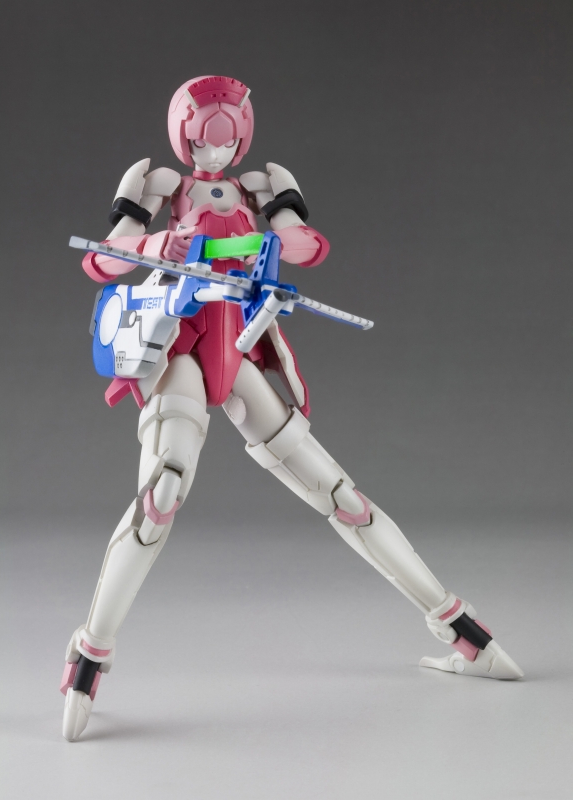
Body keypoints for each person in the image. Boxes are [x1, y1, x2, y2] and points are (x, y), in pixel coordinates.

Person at [60, 75, 523, 742]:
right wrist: (159, 247)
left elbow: (307, 244)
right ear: (184, 133)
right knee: (161, 494)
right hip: (182, 344)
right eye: (204, 137)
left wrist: (274, 248)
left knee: (342, 497)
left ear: (243, 133)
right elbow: (104, 263)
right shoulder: (156, 182)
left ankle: (463, 632)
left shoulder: (262, 185)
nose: (215, 151)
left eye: (226, 137)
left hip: (237, 348)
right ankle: (89, 657)